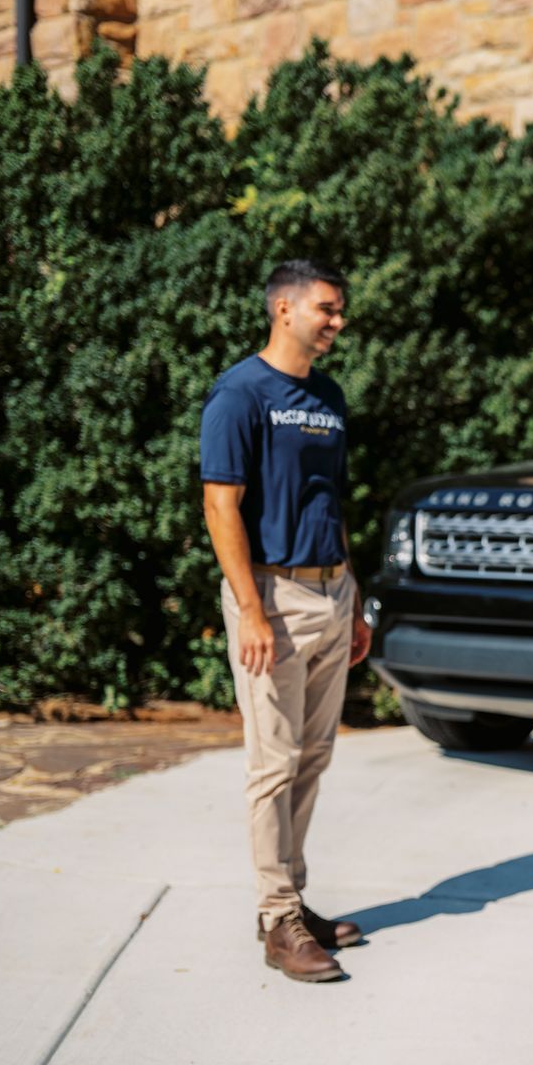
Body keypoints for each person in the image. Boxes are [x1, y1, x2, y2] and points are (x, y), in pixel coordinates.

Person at [200, 260, 372, 984]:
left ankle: (291, 899)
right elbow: (220, 505)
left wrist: (354, 598)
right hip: (271, 597)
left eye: (339, 309)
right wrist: (249, 609)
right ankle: (276, 921)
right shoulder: (240, 394)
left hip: (331, 591)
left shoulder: (326, 395)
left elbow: (329, 497)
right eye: (326, 309)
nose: (337, 321)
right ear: (284, 308)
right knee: (273, 765)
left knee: (312, 757)